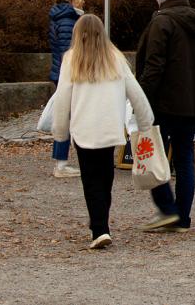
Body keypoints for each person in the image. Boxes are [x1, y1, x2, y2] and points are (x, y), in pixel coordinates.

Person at [51, 14, 155, 250]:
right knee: (105, 177)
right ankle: (101, 222)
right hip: (109, 128)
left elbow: (62, 99)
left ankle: (99, 228)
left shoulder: (71, 60)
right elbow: (135, 92)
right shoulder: (115, 58)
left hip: (84, 129)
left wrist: (60, 132)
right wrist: (146, 122)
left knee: (91, 180)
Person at [136, 0, 195, 233]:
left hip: (164, 102)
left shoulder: (162, 22)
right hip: (191, 102)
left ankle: (167, 208)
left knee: (155, 155)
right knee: (184, 158)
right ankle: (183, 217)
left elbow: (154, 66)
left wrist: (141, 97)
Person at [48, 0, 86, 178]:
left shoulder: (60, 16)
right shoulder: (68, 19)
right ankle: (61, 164)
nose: (83, 2)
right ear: (74, 0)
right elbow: (67, 50)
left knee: (65, 117)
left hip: (61, 72)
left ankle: (61, 162)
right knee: (66, 118)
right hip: (68, 74)